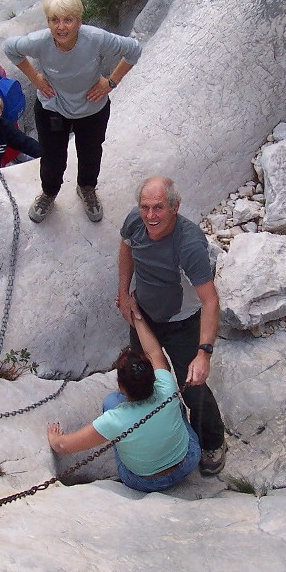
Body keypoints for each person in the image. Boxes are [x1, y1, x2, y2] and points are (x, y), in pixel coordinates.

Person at [116, 176, 227, 476]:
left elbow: (210, 301)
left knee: (192, 385)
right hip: (145, 313)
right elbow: (126, 250)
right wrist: (124, 294)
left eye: (159, 208)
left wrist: (203, 353)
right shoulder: (135, 222)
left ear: (175, 207)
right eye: (145, 207)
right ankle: (162, 430)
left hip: (182, 322)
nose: (150, 216)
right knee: (140, 378)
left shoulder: (189, 244)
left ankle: (211, 440)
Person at [3, 0, 142, 224]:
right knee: (52, 156)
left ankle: (87, 188)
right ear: (47, 22)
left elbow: (134, 49)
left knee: (90, 152)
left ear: (79, 21)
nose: (61, 27)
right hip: (53, 108)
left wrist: (111, 82)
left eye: (68, 20)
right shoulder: (40, 42)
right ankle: (49, 193)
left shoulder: (95, 38)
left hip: (92, 107)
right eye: (54, 20)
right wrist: (36, 78)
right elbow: (10, 48)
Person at [46, 304, 201, 493]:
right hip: (187, 462)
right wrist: (137, 317)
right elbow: (154, 353)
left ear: (121, 386)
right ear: (153, 378)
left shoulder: (115, 420)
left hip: (145, 482)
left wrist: (55, 439)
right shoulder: (167, 386)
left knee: (110, 402)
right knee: (178, 410)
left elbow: (64, 446)